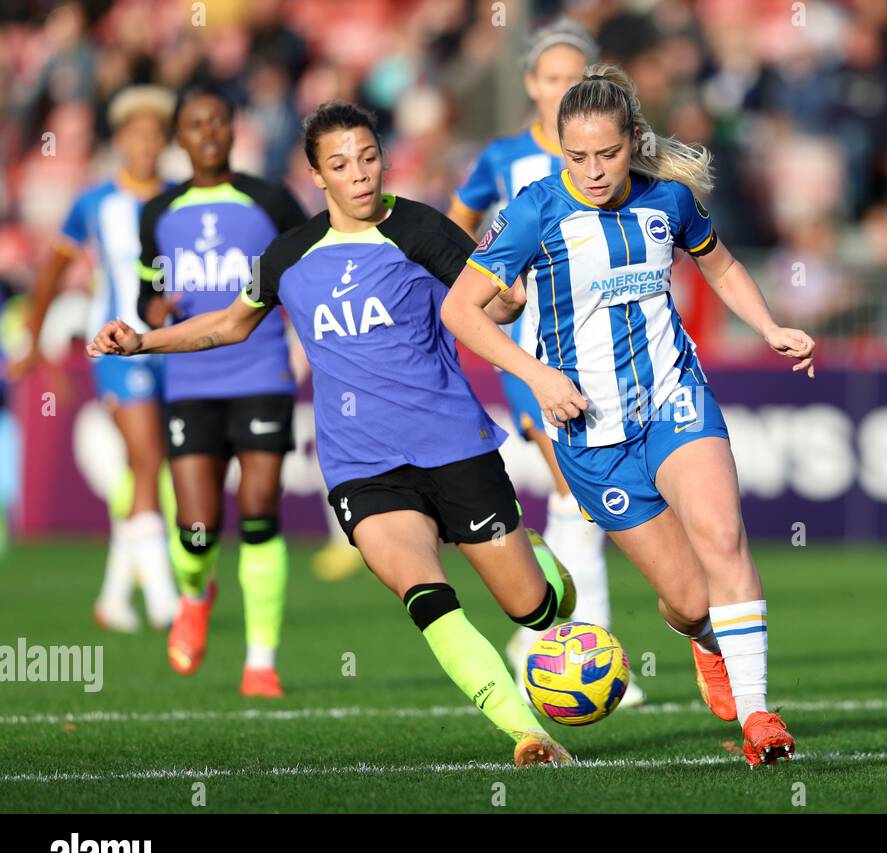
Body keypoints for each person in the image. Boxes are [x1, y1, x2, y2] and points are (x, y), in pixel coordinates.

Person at [91, 101, 578, 767]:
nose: (359, 174)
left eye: (369, 157)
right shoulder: (291, 253)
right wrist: (140, 340)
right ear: (317, 175)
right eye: (341, 164)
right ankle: (528, 733)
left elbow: (489, 298)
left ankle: (542, 563)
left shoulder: (419, 228)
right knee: (426, 595)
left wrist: (510, 294)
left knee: (534, 608)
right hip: (362, 464)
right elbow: (230, 323)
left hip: (455, 444)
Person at [442, 65, 816, 767]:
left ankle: (760, 716)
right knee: (686, 599)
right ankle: (705, 643)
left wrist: (768, 325)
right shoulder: (533, 210)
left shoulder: (669, 201)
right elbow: (459, 309)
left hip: (675, 402)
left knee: (723, 536)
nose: (591, 169)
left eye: (606, 154)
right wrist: (537, 375)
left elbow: (724, 264)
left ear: (633, 141)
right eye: (576, 156)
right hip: (591, 436)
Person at [447, 19, 641, 705]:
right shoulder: (504, 158)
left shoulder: (611, 160)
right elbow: (457, 227)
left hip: (611, 352)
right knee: (576, 492)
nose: (560, 90)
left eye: (573, 79)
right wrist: (491, 282)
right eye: (550, 78)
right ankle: (588, 646)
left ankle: (541, 631)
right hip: (532, 349)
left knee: (594, 497)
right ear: (532, 85)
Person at [135, 83, 307, 696]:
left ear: (234, 130)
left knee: (260, 511)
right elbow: (146, 295)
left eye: (217, 122)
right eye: (195, 124)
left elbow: (308, 269)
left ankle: (261, 661)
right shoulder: (157, 212)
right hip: (190, 380)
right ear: (179, 137)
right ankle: (194, 592)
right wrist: (154, 314)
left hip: (261, 374)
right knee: (197, 529)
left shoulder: (270, 199)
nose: (208, 133)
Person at [8, 85, 180, 632]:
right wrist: (34, 339)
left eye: (156, 134)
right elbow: (54, 269)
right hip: (115, 346)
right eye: (137, 134)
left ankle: (113, 598)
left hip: (172, 345)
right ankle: (163, 600)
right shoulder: (95, 202)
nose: (146, 144)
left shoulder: (178, 197)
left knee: (145, 467)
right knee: (150, 460)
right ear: (122, 140)